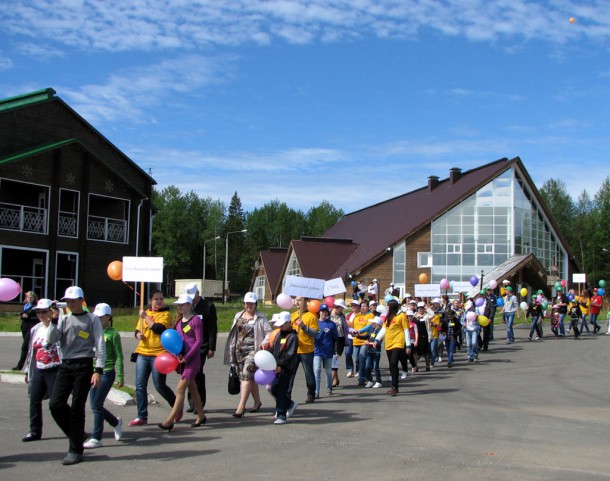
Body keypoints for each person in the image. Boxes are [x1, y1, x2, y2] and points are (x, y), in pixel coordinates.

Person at [47, 286, 106, 466]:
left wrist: (98, 370)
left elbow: (100, 343)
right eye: (68, 301)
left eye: (74, 301)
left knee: (77, 407)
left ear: (82, 300)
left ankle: (75, 450)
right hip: (66, 364)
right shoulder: (63, 319)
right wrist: (54, 321)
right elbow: (51, 339)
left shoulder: (92, 319)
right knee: (55, 404)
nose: (71, 304)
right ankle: (78, 434)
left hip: (84, 364)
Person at [158, 295, 206, 431]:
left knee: (180, 389)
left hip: (193, 360)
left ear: (189, 305)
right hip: (183, 359)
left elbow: (198, 341)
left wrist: (188, 356)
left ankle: (169, 420)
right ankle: (201, 416)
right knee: (193, 389)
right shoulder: (179, 323)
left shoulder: (196, 320)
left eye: (182, 304)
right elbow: (177, 342)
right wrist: (177, 354)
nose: (179, 307)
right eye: (178, 305)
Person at [130, 290, 177, 427]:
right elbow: (138, 330)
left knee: (159, 385)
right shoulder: (145, 313)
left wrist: (145, 317)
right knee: (140, 386)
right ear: (151, 300)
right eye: (156, 299)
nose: (159, 301)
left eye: (161, 299)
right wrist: (138, 335)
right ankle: (141, 416)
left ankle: (176, 406)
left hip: (159, 354)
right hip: (143, 353)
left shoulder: (166, 314)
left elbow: (158, 328)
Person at [224, 292, 271, 417]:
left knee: (246, 376)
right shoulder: (238, 315)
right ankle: (257, 402)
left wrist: (265, 342)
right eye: (247, 303)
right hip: (239, 351)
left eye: (251, 303)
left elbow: (269, 333)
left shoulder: (261, 317)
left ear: (256, 304)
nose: (249, 305)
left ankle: (241, 406)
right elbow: (234, 333)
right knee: (249, 378)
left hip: (253, 351)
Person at [83, 303, 124, 448]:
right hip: (92, 372)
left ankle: (96, 437)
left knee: (96, 404)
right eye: (96, 317)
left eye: (101, 317)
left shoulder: (112, 334)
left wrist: (120, 376)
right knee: (95, 404)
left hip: (106, 372)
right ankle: (115, 422)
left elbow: (119, 356)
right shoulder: (91, 331)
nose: (98, 319)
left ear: (108, 317)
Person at [22, 298, 61, 442]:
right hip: (38, 368)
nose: (40, 315)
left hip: (55, 368)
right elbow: (31, 352)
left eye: (44, 311)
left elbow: (53, 341)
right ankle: (34, 431)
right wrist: (28, 370)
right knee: (34, 398)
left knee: (57, 403)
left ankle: (73, 428)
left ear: (51, 312)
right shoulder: (35, 329)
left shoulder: (58, 326)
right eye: (38, 312)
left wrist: (55, 320)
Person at [183, 283, 218, 414]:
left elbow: (212, 328)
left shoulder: (208, 306)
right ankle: (192, 403)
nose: (192, 299)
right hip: (188, 346)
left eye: (194, 295)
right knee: (189, 374)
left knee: (197, 372)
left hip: (202, 346)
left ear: (198, 292)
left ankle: (200, 402)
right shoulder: (186, 306)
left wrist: (211, 347)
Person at [267, 311, 298, 425]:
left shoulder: (292, 337)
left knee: (281, 391)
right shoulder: (279, 334)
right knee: (273, 388)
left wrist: (280, 365)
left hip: (285, 368)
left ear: (289, 323)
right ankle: (289, 404)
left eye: (283, 324)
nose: (280, 326)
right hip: (275, 367)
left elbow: (289, 354)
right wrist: (266, 353)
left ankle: (281, 415)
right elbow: (274, 349)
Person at [374, 299, 410, 396]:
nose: (387, 308)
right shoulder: (388, 317)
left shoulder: (402, 316)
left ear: (393, 307)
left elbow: (406, 330)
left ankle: (395, 387)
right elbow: (384, 329)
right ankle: (395, 385)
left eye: (388, 306)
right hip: (388, 343)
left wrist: (408, 344)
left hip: (398, 342)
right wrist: (377, 339)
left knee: (394, 362)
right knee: (391, 365)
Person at [289, 296, 319, 403]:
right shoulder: (293, 316)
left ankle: (311, 394)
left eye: (300, 300)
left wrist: (304, 327)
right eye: (296, 300)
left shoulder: (311, 316)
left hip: (306, 350)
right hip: (293, 350)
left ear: (306, 302)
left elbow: (315, 333)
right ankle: (287, 395)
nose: (298, 302)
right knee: (290, 374)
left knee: (308, 373)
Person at [313, 304, 338, 398]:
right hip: (317, 351)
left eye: (325, 311)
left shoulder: (331, 324)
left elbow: (335, 338)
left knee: (328, 371)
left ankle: (329, 388)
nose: (324, 313)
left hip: (328, 351)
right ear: (319, 312)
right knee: (317, 370)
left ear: (328, 312)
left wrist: (336, 351)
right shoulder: (315, 323)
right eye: (322, 311)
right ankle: (316, 391)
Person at [14, 291, 39, 371]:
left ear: (34, 298)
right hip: (24, 328)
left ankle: (20, 366)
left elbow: (38, 319)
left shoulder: (35, 307)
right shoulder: (26, 306)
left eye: (31, 297)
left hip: (31, 328)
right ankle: (27, 366)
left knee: (25, 347)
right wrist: (22, 316)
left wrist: (28, 316)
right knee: (27, 347)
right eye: (28, 297)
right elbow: (22, 315)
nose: (29, 298)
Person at [350, 300, 373, 386]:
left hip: (365, 340)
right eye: (362, 306)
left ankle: (361, 378)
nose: (363, 308)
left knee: (362, 358)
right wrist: (351, 332)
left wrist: (359, 331)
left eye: (365, 306)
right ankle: (365, 374)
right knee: (356, 359)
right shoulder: (356, 316)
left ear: (368, 307)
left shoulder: (370, 315)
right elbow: (352, 326)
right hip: (356, 340)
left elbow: (368, 326)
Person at [329, 299, 348, 387]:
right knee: (330, 360)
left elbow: (346, 328)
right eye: (341, 308)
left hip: (339, 340)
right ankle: (336, 379)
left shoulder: (342, 316)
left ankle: (330, 383)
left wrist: (352, 331)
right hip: (329, 340)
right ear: (336, 307)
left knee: (335, 360)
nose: (342, 310)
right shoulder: (328, 314)